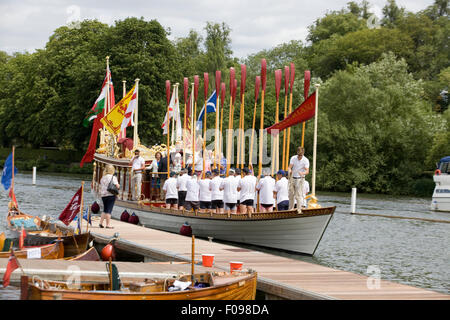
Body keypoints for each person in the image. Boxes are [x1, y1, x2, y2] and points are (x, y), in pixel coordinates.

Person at [288, 146, 310, 213]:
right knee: (291, 194)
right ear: (297, 153)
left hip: (300, 178)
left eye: (301, 155)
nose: (300, 156)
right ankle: (291, 208)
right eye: (299, 155)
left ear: (303, 153)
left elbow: (307, 171)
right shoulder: (293, 158)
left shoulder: (305, 160)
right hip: (292, 178)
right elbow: (289, 167)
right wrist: (289, 171)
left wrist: (303, 173)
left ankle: (299, 209)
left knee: (298, 195)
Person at [99, 164, 120, 228]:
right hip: (110, 195)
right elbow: (117, 186)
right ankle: (108, 225)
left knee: (105, 209)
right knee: (109, 210)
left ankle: (101, 223)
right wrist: (118, 185)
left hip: (103, 195)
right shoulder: (113, 177)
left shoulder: (103, 177)